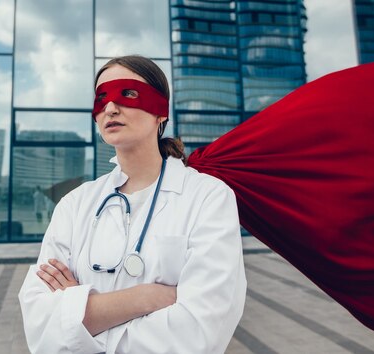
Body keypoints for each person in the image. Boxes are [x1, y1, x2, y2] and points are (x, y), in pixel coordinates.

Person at [19, 55, 246, 353]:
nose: (110, 107)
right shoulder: (75, 204)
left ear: (160, 112)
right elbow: (40, 321)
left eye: (127, 93)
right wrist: (145, 298)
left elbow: (200, 331)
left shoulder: (208, 197)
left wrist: (80, 319)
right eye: (101, 98)